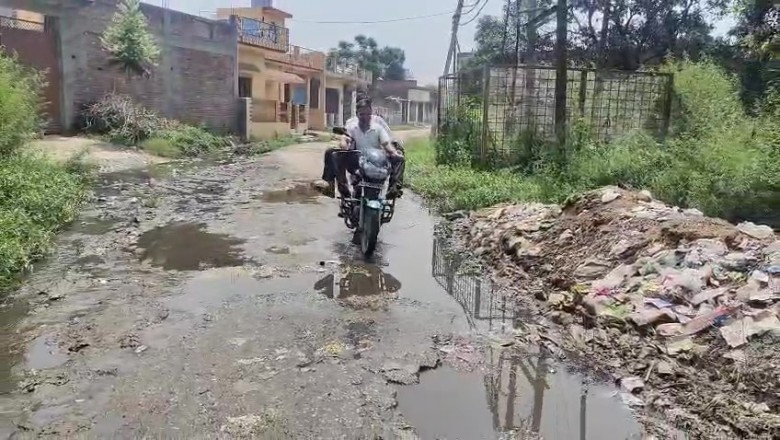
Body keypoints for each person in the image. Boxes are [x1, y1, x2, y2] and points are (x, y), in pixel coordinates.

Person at [315, 99, 405, 199]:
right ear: (357, 114)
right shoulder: (352, 126)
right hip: (357, 162)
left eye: (367, 114)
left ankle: (394, 189)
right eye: (362, 114)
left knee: (399, 155)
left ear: (371, 113)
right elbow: (346, 138)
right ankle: (337, 187)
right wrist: (344, 143)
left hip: (376, 162)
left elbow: (387, 144)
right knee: (332, 152)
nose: (365, 117)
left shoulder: (378, 126)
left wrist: (394, 153)